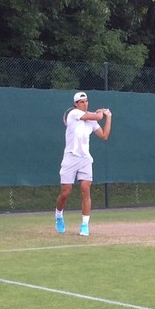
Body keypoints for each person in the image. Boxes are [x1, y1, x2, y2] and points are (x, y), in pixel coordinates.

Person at [55, 92, 112, 236]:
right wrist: (100, 113)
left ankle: (85, 225)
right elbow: (98, 116)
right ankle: (58, 216)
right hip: (70, 158)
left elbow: (104, 135)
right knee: (65, 192)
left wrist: (109, 117)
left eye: (86, 101)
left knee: (86, 190)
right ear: (75, 104)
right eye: (81, 102)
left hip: (85, 159)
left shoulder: (91, 121)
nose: (85, 104)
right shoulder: (73, 114)